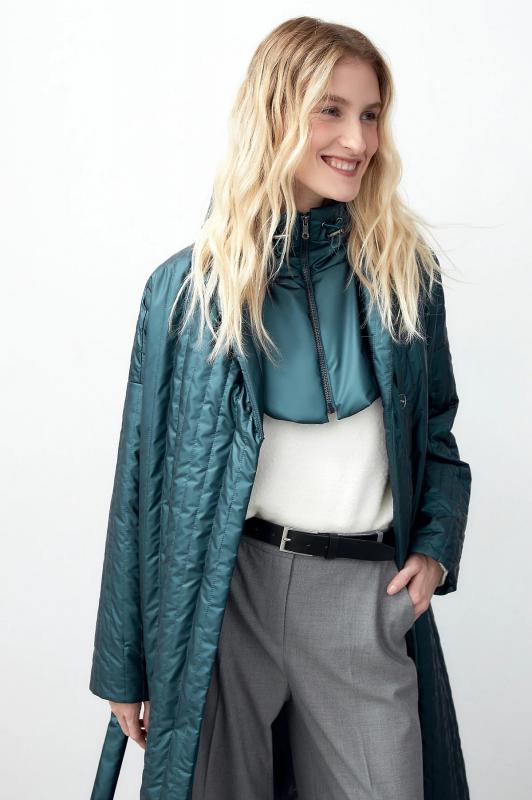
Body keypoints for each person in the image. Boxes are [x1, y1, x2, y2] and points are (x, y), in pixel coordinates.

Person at [88, 16, 472, 800]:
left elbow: (436, 428)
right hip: (226, 597)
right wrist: (124, 666)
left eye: (370, 115)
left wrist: (435, 545)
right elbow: (141, 483)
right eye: (331, 110)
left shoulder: (405, 274)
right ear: (275, 113)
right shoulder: (187, 291)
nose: (358, 140)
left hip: (362, 595)